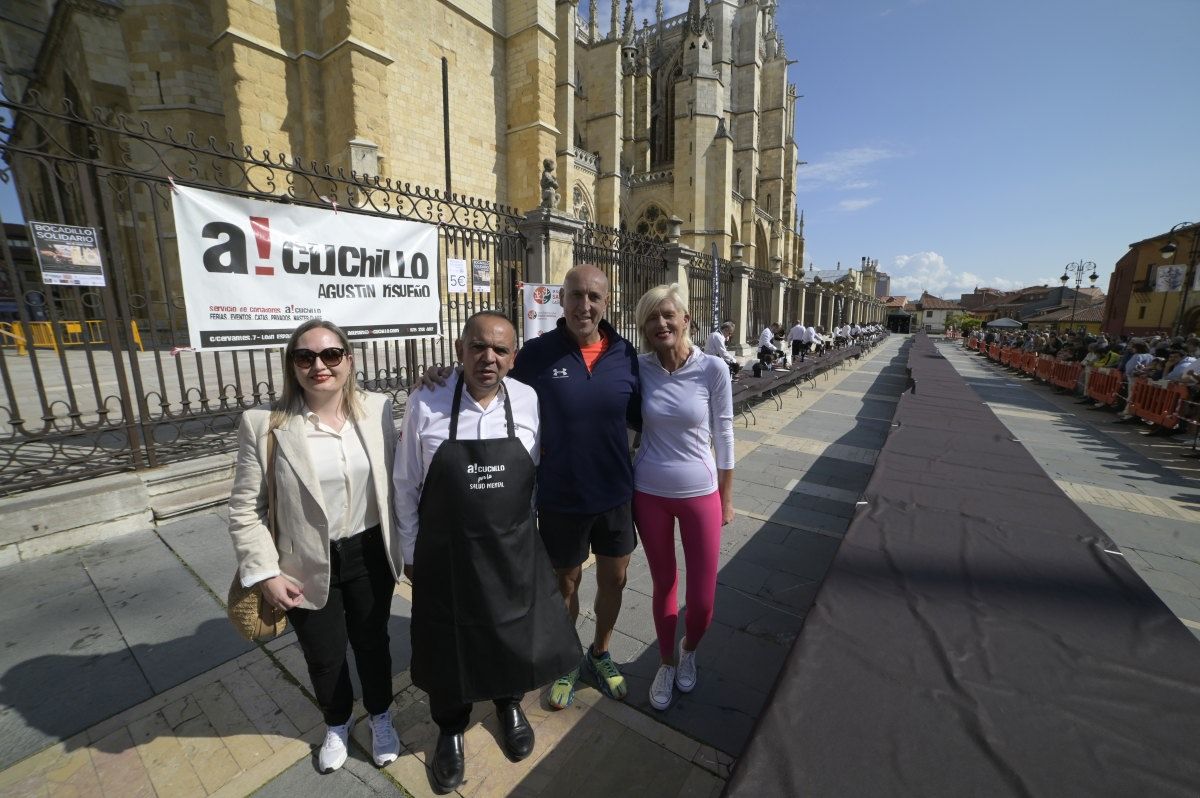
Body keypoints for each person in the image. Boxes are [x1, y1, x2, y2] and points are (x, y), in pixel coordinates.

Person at [418, 264, 641, 711]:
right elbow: (489, 371)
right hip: (561, 498)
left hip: (615, 495)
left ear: (607, 302)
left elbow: (636, 416)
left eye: (594, 297)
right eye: (576, 295)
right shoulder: (537, 353)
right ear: (562, 299)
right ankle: (565, 660)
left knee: (615, 579)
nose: (585, 305)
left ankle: (600, 653)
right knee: (566, 584)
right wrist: (444, 373)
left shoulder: (625, 352)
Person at [394, 311, 580, 792]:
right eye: (478, 346)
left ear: (513, 357)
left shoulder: (528, 400)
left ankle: (509, 704)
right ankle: (450, 729)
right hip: (446, 555)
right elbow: (406, 484)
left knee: (510, 630)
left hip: (510, 551)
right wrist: (410, 550)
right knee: (447, 641)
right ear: (460, 350)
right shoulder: (426, 400)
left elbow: (533, 475)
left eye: (500, 349)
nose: (488, 358)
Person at [228, 319, 402, 774]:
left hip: (368, 552)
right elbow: (246, 509)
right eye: (305, 357)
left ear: (349, 359)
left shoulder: (379, 409)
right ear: (292, 365)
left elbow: (398, 483)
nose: (319, 366)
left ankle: (381, 716)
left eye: (330, 355)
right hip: (303, 561)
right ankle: (338, 723)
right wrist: (264, 572)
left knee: (373, 643)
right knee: (324, 655)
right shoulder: (265, 425)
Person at [631, 285, 735, 711]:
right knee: (663, 585)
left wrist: (727, 498)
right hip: (649, 492)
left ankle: (689, 649)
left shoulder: (712, 368)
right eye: (652, 318)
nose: (661, 324)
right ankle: (667, 661)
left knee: (704, 601)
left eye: (668, 315)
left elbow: (725, 434)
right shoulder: (638, 368)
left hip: (700, 493)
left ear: (686, 319)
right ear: (644, 327)